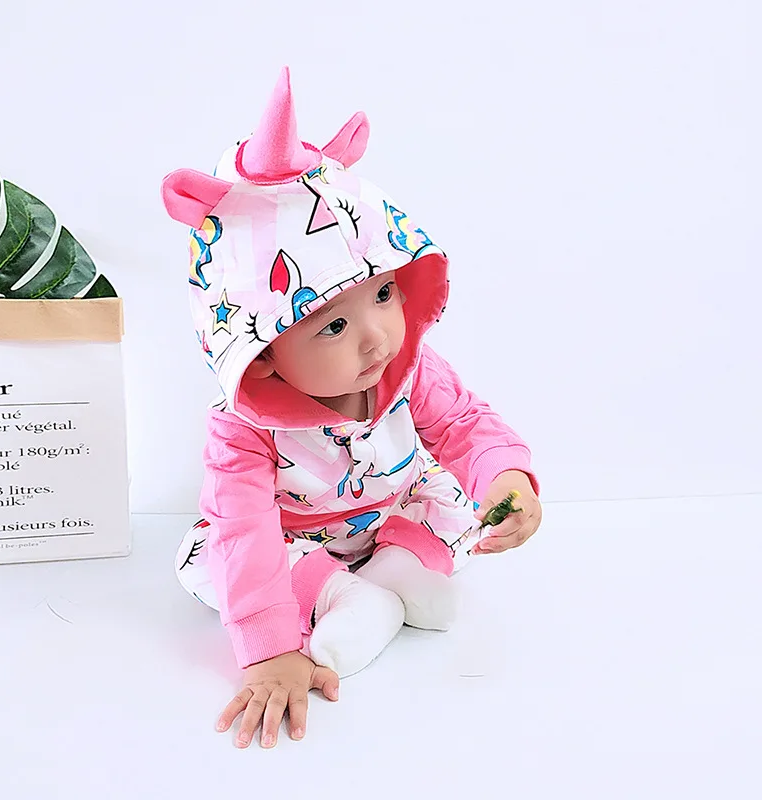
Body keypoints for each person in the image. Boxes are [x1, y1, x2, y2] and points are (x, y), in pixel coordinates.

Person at [162, 67, 542, 749]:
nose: (376, 338)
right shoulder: (242, 430)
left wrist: (504, 478)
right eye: (333, 325)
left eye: (385, 295)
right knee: (212, 557)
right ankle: (342, 594)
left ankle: (402, 561)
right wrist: (271, 649)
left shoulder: (409, 369)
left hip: (392, 507)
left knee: (451, 501)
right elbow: (244, 528)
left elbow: (462, 424)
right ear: (262, 353)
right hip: (296, 534)